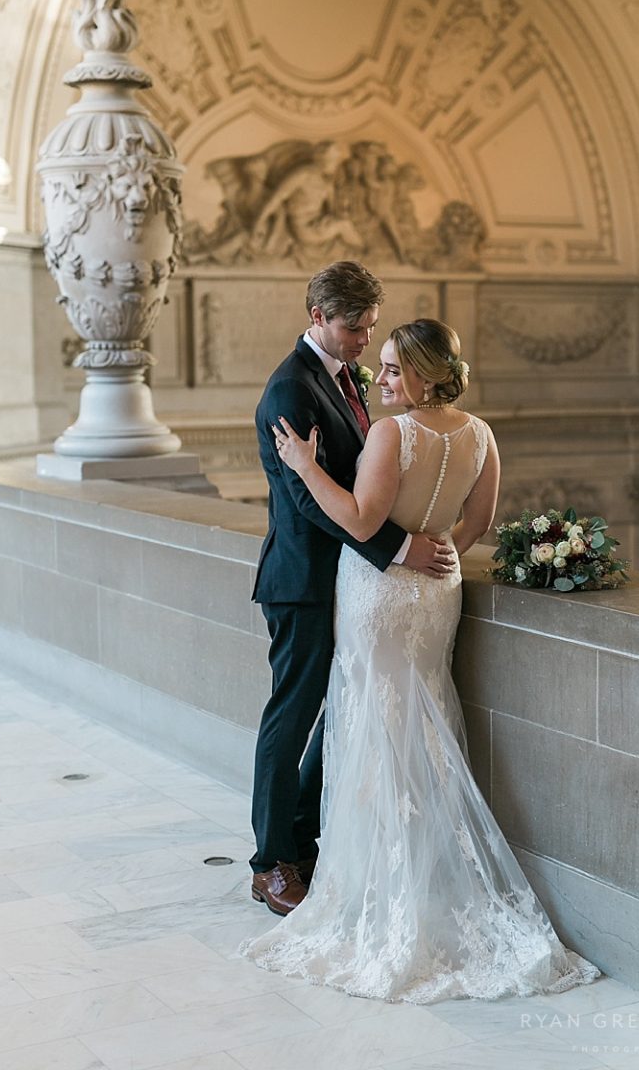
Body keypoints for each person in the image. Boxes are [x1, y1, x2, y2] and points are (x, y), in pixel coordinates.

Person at [241, 317, 600, 1003]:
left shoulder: (391, 434)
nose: (382, 380)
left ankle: (376, 881)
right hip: (439, 592)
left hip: (380, 593)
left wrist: (306, 467)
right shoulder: (481, 435)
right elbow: (481, 520)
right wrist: (441, 553)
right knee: (421, 715)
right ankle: (424, 874)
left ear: (427, 374)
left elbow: (358, 519)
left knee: (369, 717)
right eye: (380, 366)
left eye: (394, 370)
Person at [250, 263, 456, 917]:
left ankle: (303, 843)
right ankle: (270, 864)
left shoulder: (343, 377)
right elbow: (307, 503)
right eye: (353, 326)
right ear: (317, 317)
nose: (366, 338)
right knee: (292, 716)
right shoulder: (290, 390)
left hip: (349, 580)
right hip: (302, 582)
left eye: (370, 324)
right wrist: (401, 549)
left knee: (341, 711)